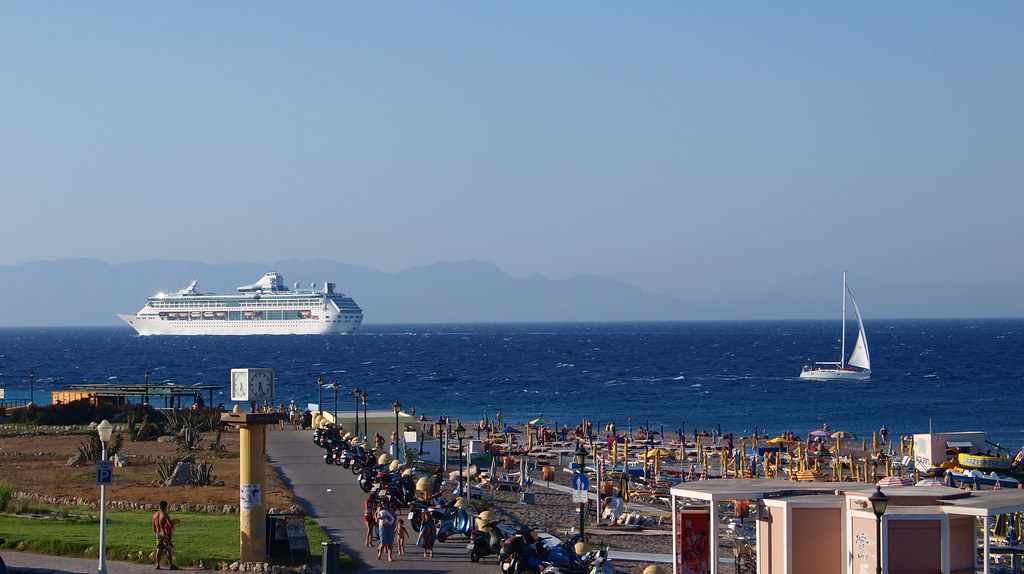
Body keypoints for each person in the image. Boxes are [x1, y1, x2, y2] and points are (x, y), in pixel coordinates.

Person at [152, 500, 181, 570]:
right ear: (165, 507)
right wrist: (173, 522)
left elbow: (153, 526)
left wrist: (155, 533)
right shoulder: (165, 515)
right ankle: (171, 565)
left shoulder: (154, 515)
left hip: (158, 533)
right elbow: (170, 525)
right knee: (168, 549)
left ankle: (157, 564)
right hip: (165, 534)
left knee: (159, 549)